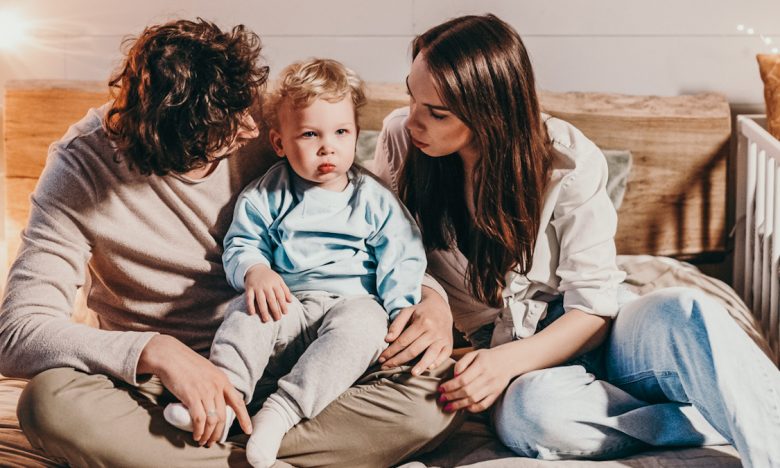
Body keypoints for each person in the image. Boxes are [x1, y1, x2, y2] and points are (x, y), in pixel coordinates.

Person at [0, 19, 460, 468]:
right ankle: (265, 451)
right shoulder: (81, 169)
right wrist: (156, 352)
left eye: (249, 109)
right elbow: (19, 332)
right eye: (230, 130)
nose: (252, 129)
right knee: (48, 403)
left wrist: (431, 298)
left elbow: (373, 226)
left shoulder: (261, 111)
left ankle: (237, 442)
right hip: (171, 387)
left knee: (439, 395)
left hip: (312, 355)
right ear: (169, 143)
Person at [372, 13, 780, 468]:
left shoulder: (567, 159)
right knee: (529, 419)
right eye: (411, 94)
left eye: (437, 112)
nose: (413, 120)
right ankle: (706, 417)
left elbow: (593, 309)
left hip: (601, 331)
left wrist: (504, 364)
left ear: (488, 111)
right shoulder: (400, 144)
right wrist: (433, 296)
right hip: (524, 363)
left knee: (686, 311)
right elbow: (383, 244)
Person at [162, 58, 428, 468]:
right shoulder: (266, 195)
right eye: (310, 134)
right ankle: (225, 398)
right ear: (279, 143)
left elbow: (402, 255)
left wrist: (401, 309)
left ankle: (282, 411)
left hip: (351, 302)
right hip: (288, 301)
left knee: (364, 327)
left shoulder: (373, 198)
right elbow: (241, 244)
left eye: (342, 132)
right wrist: (256, 271)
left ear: (357, 135)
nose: (328, 146)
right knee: (246, 314)